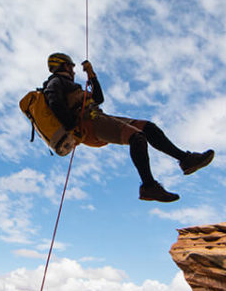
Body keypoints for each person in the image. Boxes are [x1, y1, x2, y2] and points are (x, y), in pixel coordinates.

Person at [42, 52, 214, 202]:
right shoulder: (56, 81)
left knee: (148, 128)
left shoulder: (70, 86)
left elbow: (99, 98)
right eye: (71, 67)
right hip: (89, 123)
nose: (73, 71)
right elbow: (53, 100)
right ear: (64, 65)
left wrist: (91, 74)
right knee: (137, 137)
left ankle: (186, 160)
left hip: (97, 116)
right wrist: (72, 126)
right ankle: (148, 186)